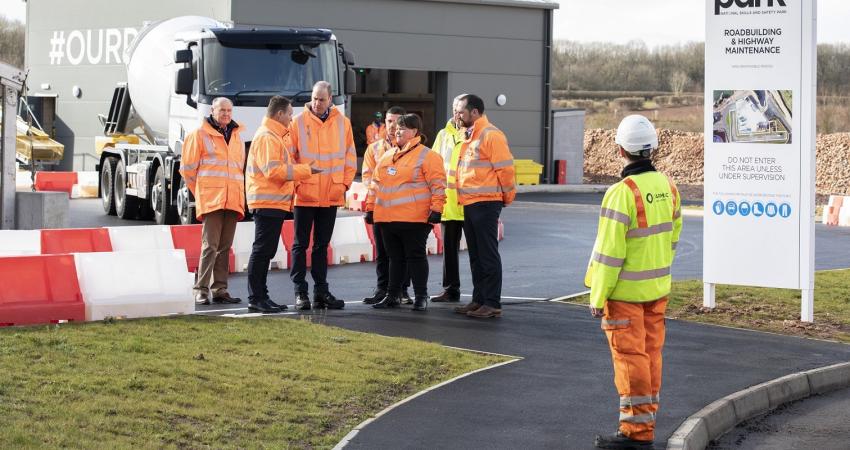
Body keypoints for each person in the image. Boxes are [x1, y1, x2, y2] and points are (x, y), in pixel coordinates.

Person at [584, 115, 682, 449]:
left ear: (619, 149)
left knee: (630, 360)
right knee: (651, 357)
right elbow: (672, 237)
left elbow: (609, 253)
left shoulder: (621, 193)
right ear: (652, 148)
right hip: (657, 291)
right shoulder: (668, 187)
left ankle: (635, 433)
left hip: (624, 294)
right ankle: (646, 423)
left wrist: (598, 296)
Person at [364, 114, 446, 311]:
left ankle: (420, 296)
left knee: (415, 257)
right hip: (387, 218)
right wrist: (370, 208)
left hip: (414, 219)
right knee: (395, 258)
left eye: (403, 128)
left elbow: (438, 185)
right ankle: (392, 295)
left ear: (415, 132)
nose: (398, 131)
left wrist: (437, 209)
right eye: (397, 127)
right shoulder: (386, 156)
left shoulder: (428, 156)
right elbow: (375, 185)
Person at [245, 96, 319, 313]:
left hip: (272, 202)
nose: (291, 118)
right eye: (288, 113)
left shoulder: (274, 136)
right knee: (262, 251)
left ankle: (261, 296)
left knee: (265, 251)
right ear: (279, 114)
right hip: (267, 201)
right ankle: (256, 297)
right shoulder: (268, 137)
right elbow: (274, 172)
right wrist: (306, 170)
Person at [289, 81, 356, 310]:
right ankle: (300, 292)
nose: (317, 103)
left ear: (330, 99)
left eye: (322, 99)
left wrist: (345, 184)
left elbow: (349, 157)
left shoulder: (343, 123)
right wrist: (296, 186)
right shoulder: (297, 122)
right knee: (300, 245)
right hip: (305, 193)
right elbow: (290, 157)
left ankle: (321, 291)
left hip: (331, 193)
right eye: (314, 98)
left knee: (322, 245)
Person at [451, 94, 515, 319]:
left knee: (487, 254)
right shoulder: (469, 135)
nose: (456, 115)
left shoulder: (491, 135)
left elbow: (506, 171)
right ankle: (479, 299)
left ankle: (492, 302)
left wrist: (507, 197)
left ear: (475, 112)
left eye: (460, 111)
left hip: (486, 203)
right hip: (470, 203)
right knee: (476, 255)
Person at [180, 97, 245, 306]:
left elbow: (238, 169)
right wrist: (202, 192)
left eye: (229, 110)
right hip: (212, 199)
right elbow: (188, 171)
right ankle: (200, 289)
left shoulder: (237, 137)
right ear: (212, 111)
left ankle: (220, 289)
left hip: (232, 200)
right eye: (222, 110)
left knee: (224, 247)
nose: (226, 114)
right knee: (210, 246)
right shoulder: (198, 135)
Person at [361, 106, 414, 305]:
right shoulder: (374, 149)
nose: (392, 126)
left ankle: (403, 290)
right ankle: (382, 288)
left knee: (404, 252)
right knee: (382, 252)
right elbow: (367, 176)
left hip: (404, 210)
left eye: (397, 122)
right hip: (381, 208)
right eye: (389, 121)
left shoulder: (412, 149)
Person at [430, 95, 467, 303]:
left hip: (470, 203)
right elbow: (434, 166)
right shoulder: (443, 135)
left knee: (478, 254)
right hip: (449, 204)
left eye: (460, 110)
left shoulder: (473, 135)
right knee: (449, 252)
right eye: (454, 109)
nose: (456, 114)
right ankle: (451, 289)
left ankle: (482, 294)